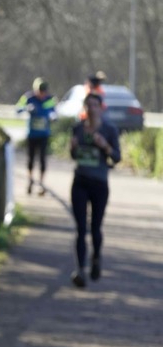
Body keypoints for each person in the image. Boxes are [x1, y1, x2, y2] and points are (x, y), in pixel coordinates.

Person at [68, 91, 121, 287]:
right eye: (88, 105)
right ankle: (80, 270)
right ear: (85, 108)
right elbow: (75, 156)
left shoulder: (109, 129)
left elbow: (117, 157)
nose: (91, 109)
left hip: (99, 184)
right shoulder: (77, 129)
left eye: (95, 105)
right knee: (81, 229)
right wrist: (72, 148)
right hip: (80, 182)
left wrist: (105, 146)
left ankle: (96, 258)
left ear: (101, 108)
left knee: (96, 227)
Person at [15, 78, 56, 195]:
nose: (42, 94)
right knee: (31, 159)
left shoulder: (50, 99)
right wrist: (26, 108)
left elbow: (53, 111)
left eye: (44, 92)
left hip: (44, 134)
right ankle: (30, 180)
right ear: (35, 90)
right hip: (32, 134)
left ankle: (41, 183)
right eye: (40, 91)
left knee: (43, 159)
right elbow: (17, 109)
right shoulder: (28, 97)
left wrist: (53, 116)